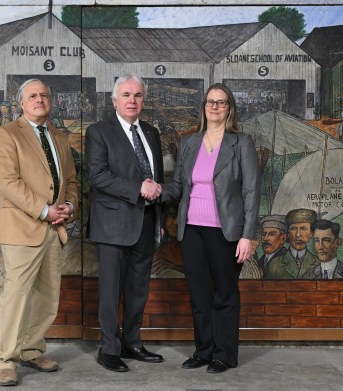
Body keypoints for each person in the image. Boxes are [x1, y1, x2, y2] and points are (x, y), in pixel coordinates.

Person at [161, 82, 260, 373]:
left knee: (225, 294)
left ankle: (224, 354)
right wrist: (156, 190)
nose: (214, 106)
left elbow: (251, 192)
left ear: (229, 108)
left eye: (220, 102)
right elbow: (179, 187)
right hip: (192, 230)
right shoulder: (189, 143)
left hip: (225, 232)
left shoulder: (241, 142)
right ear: (204, 107)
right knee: (199, 294)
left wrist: (247, 236)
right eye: (209, 102)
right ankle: (203, 351)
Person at [0, 79, 78, 387]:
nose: (40, 99)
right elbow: (8, 181)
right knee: (16, 296)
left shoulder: (59, 136)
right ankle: (6, 360)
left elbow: (71, 180)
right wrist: (44, 209)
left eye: (44, 95)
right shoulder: (6, 134)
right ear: (21, 103)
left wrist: (69, 204)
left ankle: (32, 350)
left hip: (55, 229)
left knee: (47, 296)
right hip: (22, 228)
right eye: (33, 96)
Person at [86, 74, 166, 373]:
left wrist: (158, 219)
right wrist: (137, 189)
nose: (132, 100)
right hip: (112, 225)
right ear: (114, 99)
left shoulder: (151, 132)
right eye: (126, 95)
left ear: (143, 100)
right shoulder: (98, 132)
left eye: (138, 95)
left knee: (137, 288)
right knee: (110, 290)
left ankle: (132, 342)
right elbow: (98, 176)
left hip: (145, 222)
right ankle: (109, 349)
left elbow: (157, 180)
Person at [265, 209, 318, 279]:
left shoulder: (318, 263)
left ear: (311, 233)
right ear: (288, 233)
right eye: (293, 229)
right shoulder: (274, 264)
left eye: (303, 229)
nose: (298, 234)